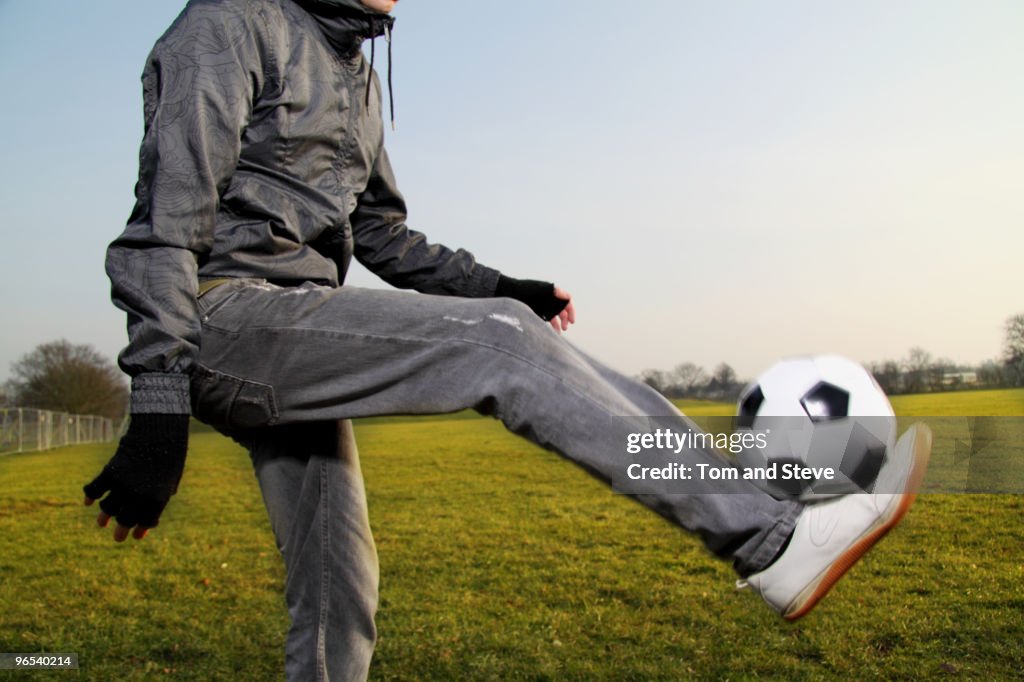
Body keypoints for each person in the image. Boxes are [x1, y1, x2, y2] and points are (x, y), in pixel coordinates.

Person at [82, 0, 931, 679]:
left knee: (339, 583)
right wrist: (157, 400)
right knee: (496, 343)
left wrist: (499, 285)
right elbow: (162, 230)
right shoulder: (227, 24)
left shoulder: (358, 76)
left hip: (303, 337)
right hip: (227, 318)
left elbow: (381, 235)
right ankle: (769, 540)